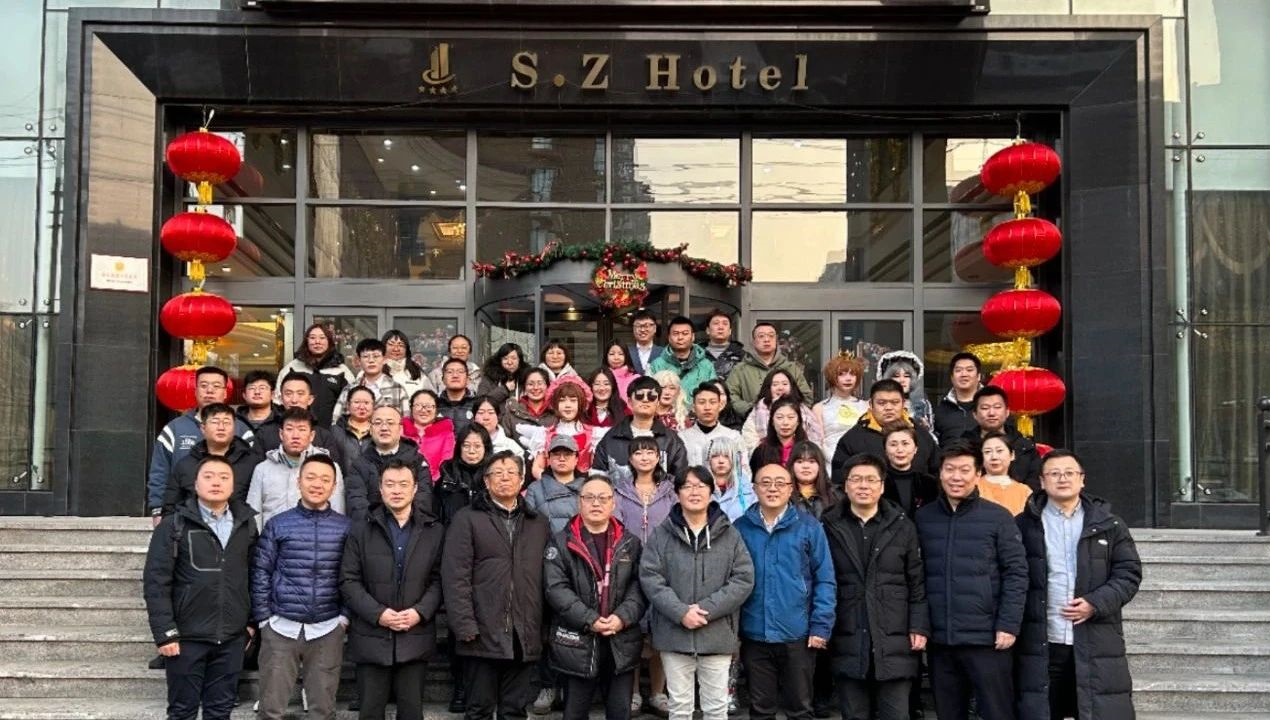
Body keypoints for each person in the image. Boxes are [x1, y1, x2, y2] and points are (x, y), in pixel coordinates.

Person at [1015, 449, 1143, 720]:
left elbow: (1128, 574)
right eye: (1054, 473)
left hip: (1095, 639)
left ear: (1082, 479)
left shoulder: (1109, 525)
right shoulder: (1023, 525)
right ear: (1042, 481)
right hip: (1043, 640)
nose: (1062, 479)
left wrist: (1095, 603)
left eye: (1069, 473)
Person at [914, 443, 1027, 720]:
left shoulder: (998, 517)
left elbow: (1016, 572)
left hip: (987, 638)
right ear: (940, 473)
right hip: (941, 639)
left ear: (978, 474)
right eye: (949, 469)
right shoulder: (924, 518)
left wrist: (1008, 624)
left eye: (965, 470)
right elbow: (915, 577)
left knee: (997, 712)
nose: (956, 477)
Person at [144, 455, 259, 720]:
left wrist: (250, 623)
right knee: (182, 711)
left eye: (223, 477)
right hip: (187, 638)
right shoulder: (174, 525)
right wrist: (165, 633)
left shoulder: (246, 525)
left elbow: (254, 576)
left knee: (220, 711)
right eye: (208, 477)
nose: (216, 483)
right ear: (195, 485)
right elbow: (156, 581)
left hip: (231, 637)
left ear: (233, 485)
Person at [443, 451, 552, 720]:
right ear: (486, 481)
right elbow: (455, 576)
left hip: (524, 631)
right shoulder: (467, 519)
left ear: (522, 480)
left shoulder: (538, 523)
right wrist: (464, 624)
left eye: (511, 473)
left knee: (514, 711)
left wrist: (543, 626)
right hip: (481, 631)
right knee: (479, 709)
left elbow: (548, 578)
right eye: (497, 473)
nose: (505, 478)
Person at [640, 466, 755, 720]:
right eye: (687, 486)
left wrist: (706, 610)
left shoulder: (729, 533)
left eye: (701, 486)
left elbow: (743, 579)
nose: (694, 492)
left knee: (716, 708)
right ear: (677, 493)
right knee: (679, 708)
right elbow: (650, 577)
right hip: (674, 634)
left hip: (716, 633)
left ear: (711, 492)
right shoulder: (662, 534)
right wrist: (681, 612)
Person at [821, 453, 928, 720]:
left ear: (882, 486)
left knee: (896, 714)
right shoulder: (829, 525)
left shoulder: (902, 525)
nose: (863, 486)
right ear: (845, 486)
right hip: (847, 634)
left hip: (894, 638)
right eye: (856, 479)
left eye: (871, 480)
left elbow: (916, 581)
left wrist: (918, 626)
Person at [340, 459, 447, 720]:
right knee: (370, 712)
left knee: (411, 712)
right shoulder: (361, 529)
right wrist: (379, 614)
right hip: (371, 636)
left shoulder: (434, 530)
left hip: (415, 635)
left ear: (415, 489)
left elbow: (440, 580)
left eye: (403, 484)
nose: (396, 490)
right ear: (380, 488)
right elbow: (348, 580)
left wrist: (420, 612)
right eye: (390, 484)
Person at [250, 453, 350, 720]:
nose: (317, 484)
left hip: (328, 627)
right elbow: (261, 572)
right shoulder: (278, 524)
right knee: (271, 709)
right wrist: (264, 618)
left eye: (325, 479)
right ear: (299, 481)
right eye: (311, 477)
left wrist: (344, 618)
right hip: (280, 626)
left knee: (323, 710)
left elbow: (351, 576)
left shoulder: (345, 528)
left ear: (334, 486)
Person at [734, 463, 836, 720]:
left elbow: (825, 578)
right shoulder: (740, 528)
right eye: (765, 483)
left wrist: (820, 625)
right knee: (761, 709)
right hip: (754, 631)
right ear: (754, 488)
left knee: (800, 708)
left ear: (791, 489)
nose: (773, 489)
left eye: (780, 483)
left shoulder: (809, 527)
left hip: (797, 633)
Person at [544, 476, 648, 720]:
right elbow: (556, 588)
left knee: (620, 712)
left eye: (603, 498)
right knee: (574, 713)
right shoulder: (562, 542)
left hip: (620, 639)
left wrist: (622, 617)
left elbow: (640, 587)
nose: (596, 503)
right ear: (579, 502)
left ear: (613, 503)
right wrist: (589, 619)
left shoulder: (630, 542)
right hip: (577, 640)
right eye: (589, 497)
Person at [610, 437, 678, 716]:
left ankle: (659, 692)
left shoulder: (671, 491)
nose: (645, 457)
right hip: (630, 568)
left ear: (658, 457)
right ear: (630, 459)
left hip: (665, 569)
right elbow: (615, 528)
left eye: (650, 452)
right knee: (632, 631)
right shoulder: (620, 491)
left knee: (662, 631)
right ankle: (635, 692)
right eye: (638, 453)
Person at [147, 365, 254, 525]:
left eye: (216, 386)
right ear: (195, 391)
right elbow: (159, 472)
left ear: (225, 393)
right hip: (184, 516)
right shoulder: (174, 429)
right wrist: (157, 510)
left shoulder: (241, 430)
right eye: (204, 386)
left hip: (233, 517)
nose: (209, 391)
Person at [436, 423, 493, 713]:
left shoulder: (494, 475)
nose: (472, 451)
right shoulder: (446, 477)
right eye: (467, 445)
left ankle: (481, 689)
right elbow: (436, 517)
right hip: (454, 556)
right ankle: (459, 687)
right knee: (458, 624)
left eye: (477, 446)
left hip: (487, 558)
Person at [246, 408, 347, 528]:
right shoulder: (263, 469)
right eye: (289, 429)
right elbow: (254, 515)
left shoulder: (330, 468)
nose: (295, 435)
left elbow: (337, 513)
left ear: (312, 435)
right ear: (281, 434)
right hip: (272, 537)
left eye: (302, 429)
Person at [163, 403, 261, 514]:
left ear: (234, 428)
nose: (221, 427)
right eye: (215, 422)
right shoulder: (186, 464)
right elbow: (170, 507)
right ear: (203, 428)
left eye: (226, 422)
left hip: (240, 523)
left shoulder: (252, 462)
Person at [830, 379, 939, 479]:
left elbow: (937, 471)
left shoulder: (921, 435)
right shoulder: (853, 439)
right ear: (871, 404)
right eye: (881, 403)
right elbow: (839, 479)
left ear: (903, 404)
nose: (888, 408)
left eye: (895, 402)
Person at [348, 405, 433, 522]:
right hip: (373, 527)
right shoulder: (359, 465)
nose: (384, 428)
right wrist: (381, 525)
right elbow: (357, 504)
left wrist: (402, 522)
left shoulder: (417, 460)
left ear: (400, 429)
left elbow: (424, 499)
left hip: (411, 526)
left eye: (390, 423)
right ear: (371, 429)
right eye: (378, 423)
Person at [593, 376, 689, 480]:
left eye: (651, 396)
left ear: (658, 402)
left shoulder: (671, 440)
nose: (645, 400)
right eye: (639, 396)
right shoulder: (611, 438)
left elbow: (680, 479)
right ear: (630, 401)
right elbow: (597, 478)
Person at [275, 323, 356, 430]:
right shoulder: (292, 368)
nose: (317, 341)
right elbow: (277, 400)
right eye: (312, 338)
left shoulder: (342, 371)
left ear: (329, 341)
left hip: (331, 432)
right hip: (297, 432)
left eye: (322, 338)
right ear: (306, 341)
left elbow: (353, 403)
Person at [725, 322, 814, 417]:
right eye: (761, 336)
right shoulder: (740, 369)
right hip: (751, 421)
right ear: (754, 342)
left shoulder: (791, 368)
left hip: (787, 422)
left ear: (776, 340)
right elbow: (730, 396)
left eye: (771, 336)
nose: (767, 340)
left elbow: (806, 396)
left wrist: (789, 411)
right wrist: (751, 410)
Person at [963, 386, 1041, 484]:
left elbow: (1035, 483)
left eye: (997, 407)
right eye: (985, 408)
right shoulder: (964, 446)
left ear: (1007, 412)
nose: (991, 413)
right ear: (975, 414)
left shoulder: (1025, 446)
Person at [274, 371, 350, 470]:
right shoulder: (265, 433)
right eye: (288, 394)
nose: (294, 400)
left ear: (310, 399)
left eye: (300, 394)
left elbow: (333, 471)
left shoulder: (324, 436)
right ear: (280, 398)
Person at [812, 353, 869, 473]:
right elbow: (818, 442)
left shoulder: (866, 407)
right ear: (832, 377)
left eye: (852, 374)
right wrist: (836, 459)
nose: (848, 378)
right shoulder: (819, 408)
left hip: (861, 465)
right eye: (842, 374)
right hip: (830, 465)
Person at [332, 338, 409, 424]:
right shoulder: (349, 389)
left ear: (384, 359)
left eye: (376, 356)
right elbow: (336, 421)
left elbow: (406, 422)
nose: (371, 361)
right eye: (365, 356)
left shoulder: (397, 389)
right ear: (359, 361)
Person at [741, 369, 821, 451]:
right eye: (775, 385)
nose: (780, 388)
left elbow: (814, 436)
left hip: (798, 454)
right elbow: (749, 434)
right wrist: (761, 451)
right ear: (768, 388)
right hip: (767, 454)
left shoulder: (803, 409)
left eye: (785, 384)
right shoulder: (759, 408)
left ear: (791, 387)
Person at [678, 381, 747, 474]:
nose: (707, 407)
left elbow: (743, 472)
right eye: (702, 402)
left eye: (712, 402)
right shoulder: (682, 438)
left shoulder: (733, 437)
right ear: (693, 408)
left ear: (720, 405)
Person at [649, 315, 717, 407]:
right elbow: (650, 396)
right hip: (665, 414)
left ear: (693, 337)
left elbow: (714, 396)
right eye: (676, 333)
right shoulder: (656, 365)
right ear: (669, 337)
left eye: (685, 333)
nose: (680, 337)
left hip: (696, 414)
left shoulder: (706, 366)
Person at [526, 434, 588, 532]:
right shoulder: (534, 489)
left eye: (567, 454)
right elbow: (528, 526)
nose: (562, 459)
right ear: (549, 458)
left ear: (576, 459)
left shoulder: (590, 488)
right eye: (556, 454)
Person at [880, 421, 938, 520]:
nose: (900, 450)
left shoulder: (929, 483)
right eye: (893, 445)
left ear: (915, 449)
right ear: (885, 450)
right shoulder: (877, 482)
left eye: (905, 444)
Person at [402, 389, 456, 483]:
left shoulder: (446, 433)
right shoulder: (400, 430)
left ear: (436, 410)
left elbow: (446, 463)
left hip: (434, 484)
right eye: (418, 405)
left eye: (429, 406)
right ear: (411, 408)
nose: (423, 410)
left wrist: (430, 482)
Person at [876, 351, 933, 435]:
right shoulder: (878, 404)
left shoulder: (922, 404)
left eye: (907, 376)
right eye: (896, 376)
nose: (902, 380)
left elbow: (930, 434)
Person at [933, 353, 982, 445]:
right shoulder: (941, 410)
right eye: (958, 370)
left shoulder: (991, 405)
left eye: (969, 370)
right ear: (952, 377)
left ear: (979, 376)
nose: (964, 374)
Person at [978, 434, 1033, 516]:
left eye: (999, 451)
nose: (994, 457)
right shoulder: (973, 487)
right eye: (987, 452)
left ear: (1012, 455)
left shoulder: (1025, 491)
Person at [749, 399, 809, 473]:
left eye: (791, 417)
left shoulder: (807, 449)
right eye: (779, 417)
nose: (785, 423)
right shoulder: (761, 451)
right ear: (772, 421)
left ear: (798, 422)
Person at [706, 435, 756, 523]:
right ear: (708, 460)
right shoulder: (698, 491)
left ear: (735, 459)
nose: (721, 461)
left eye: (726, 456)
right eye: (715, 456)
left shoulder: (752, 492)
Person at [786, 440, 837, 518]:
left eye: (811, 461)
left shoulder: (835, 494)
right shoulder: (783, 494)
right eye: (800, 462)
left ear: (820, 465)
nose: (806, 466)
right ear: (791, 466)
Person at [332, 385, 377, 472]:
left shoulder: (379, 431)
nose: (362, 407)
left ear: (373, 406)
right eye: (356, 402)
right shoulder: (335, 431)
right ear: (348, 405)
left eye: (366, 403)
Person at [501, 367, 555, 438]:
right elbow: (504, 441)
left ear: (547, 386)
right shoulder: (512, 413)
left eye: (540, 383)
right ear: (524, 387)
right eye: (530, 384)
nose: (535, 388)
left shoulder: (556, 412)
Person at [237, 370, 283, 448]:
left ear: (272, 394)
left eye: (262, 388)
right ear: (244, 395)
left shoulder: (282, 421)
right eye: (252, 388)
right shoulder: (234, 421)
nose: (257, 392)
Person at [437, 357, 480, 435]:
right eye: (450, 372)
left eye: (460, 372)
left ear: (468, 379)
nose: (455, 375)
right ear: (443, 380)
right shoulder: (434, 404)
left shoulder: (478, 404)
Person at [382, 329, 428, 399]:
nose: (396, 349)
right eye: (391, 344)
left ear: (406, 349)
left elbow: (429, 396)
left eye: (400, 345)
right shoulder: (374, 369)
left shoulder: (416, 371)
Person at [701, 310, 746, 381]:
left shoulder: (742, 356)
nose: (720, 327)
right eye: (716, 323)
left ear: (730, 331)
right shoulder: (697, 354)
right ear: (708, 330)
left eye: (725, 324)